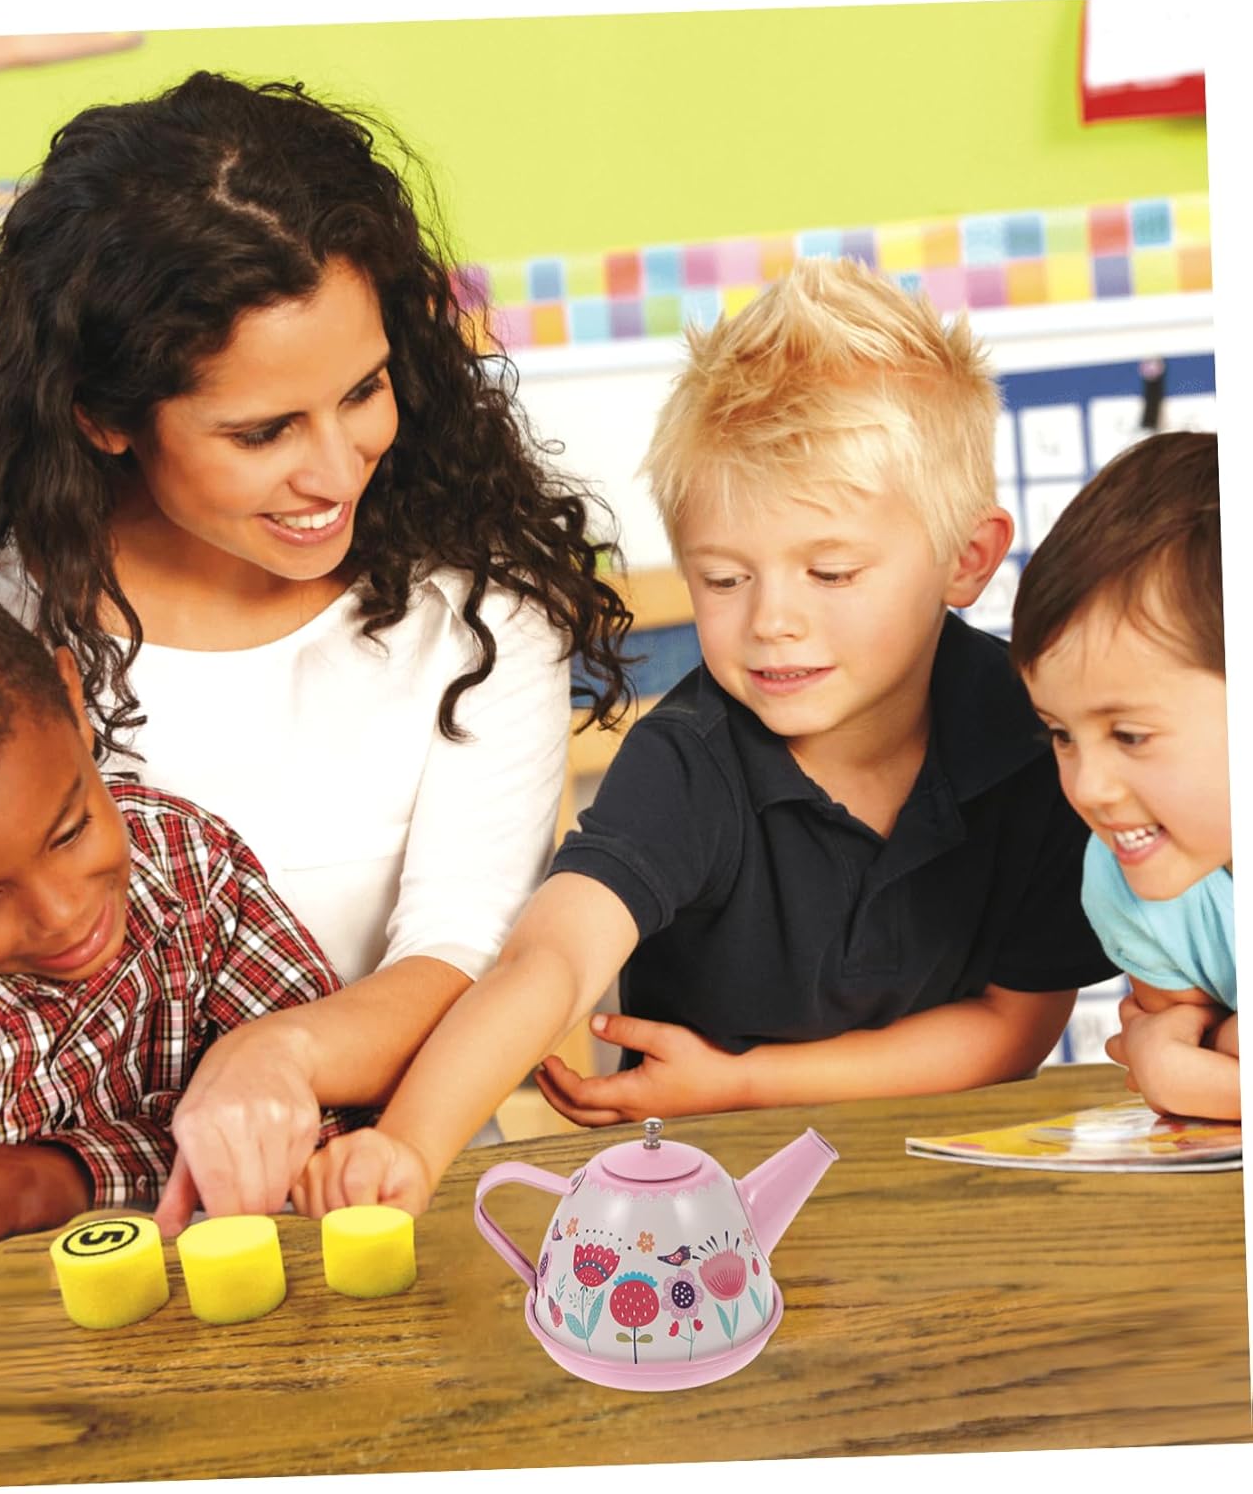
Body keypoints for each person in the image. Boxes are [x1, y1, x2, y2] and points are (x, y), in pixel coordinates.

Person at [0, 72, 632, 1219]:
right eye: (262, 431)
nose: (335, 471)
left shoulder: (476, 616)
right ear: (104, 415)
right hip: (41, 1238)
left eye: (364, 390)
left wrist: (274, 1053)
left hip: (359, 1202)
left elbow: (466, 953)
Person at [290, 257, 1118, 1218]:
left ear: (966, 558)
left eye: (832, 573)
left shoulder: (1039, 739)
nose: (772, 622)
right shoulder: (689, 762)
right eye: (724, 580)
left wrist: (743, 1080)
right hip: (708, 1212)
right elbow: (550, 961)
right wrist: (406, 1143)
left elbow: (1012, 1031)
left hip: (959, 1190)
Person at [0, 552, 371, 1276]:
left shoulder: (192, 870)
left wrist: (76, 1174)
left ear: (72, 701)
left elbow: (334, 1121)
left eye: (70, 833)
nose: (61, 914)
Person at [1011, 432, 1237, 1120]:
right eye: (1061, 735)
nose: (1088, 789)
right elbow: (1206, 1043)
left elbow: (1196, 1062)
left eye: (1129, 735)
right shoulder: (1122, 878)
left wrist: (1176, 1073)